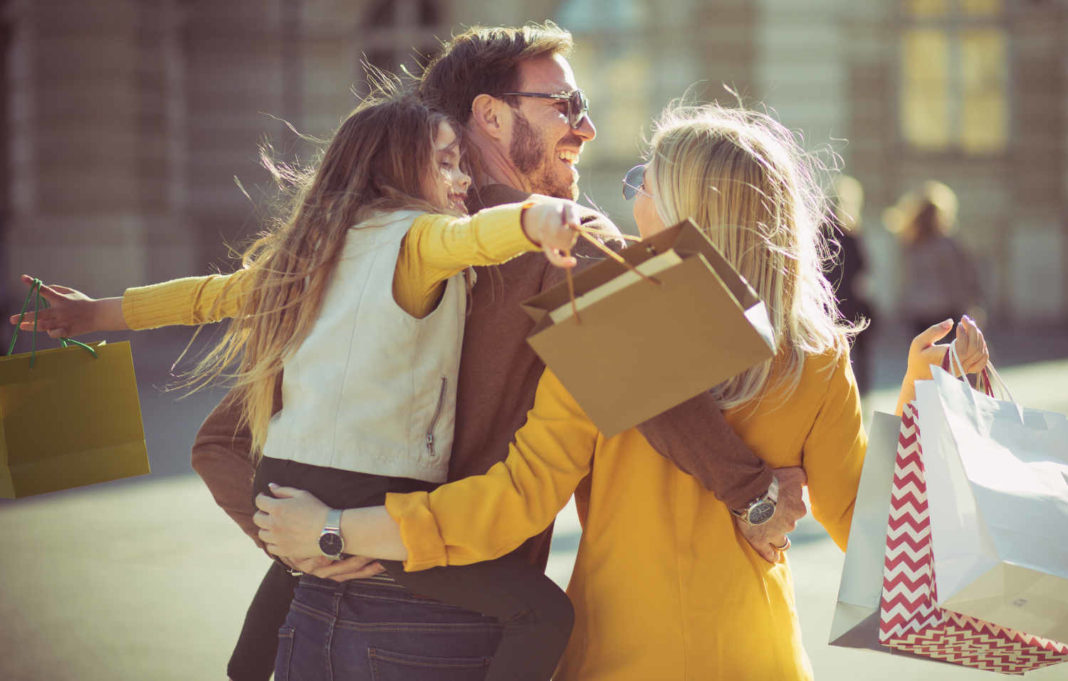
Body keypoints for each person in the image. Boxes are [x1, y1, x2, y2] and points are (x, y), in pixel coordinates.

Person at [254, 103, 990, 680]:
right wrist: (930, 396)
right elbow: (875, 536)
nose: (632, 201)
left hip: (617, 659)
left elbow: (511, 504)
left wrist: (336, 527)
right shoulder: (815, 356)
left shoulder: (609, 326)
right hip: (760, 658)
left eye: (647, 183)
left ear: (684, 215)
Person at [185, 23, 809, 681]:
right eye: (566, 105)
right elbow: (658, 391)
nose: (587, 128)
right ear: (489, 114)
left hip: (309, 620)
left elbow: (219, 443)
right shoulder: (554, 242)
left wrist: (309, 546)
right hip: (438, 632)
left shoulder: (366, 251)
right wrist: (755, 494)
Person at [12, 88, 588, 681]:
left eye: (462, 162)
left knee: (295, 575)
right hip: (367, 490)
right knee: (542, 612)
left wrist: (96, 315)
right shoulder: (417, 239)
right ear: (393, 168)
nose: (463, 178)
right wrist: (536, 218)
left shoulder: (314, 249)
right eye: (444, 162)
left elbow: (210, 296)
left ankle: (245, 669)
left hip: (285, 477)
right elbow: (467, 239)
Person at [889, 180, 984, 335]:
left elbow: (905, 278)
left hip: (918, 309)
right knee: (946, 356)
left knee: (922, 355)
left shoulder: (911, 242)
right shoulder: (947, 244)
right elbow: (958, 278)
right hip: (944, 309)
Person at [824, 174, 875, 393]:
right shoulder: (853, 235)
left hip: (828, 302)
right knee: (858, 353)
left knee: (831, 353)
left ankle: (836, 391)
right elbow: (864, 270)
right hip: (851, 302)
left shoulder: (821, 232)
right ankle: (858, 391)